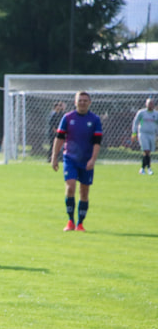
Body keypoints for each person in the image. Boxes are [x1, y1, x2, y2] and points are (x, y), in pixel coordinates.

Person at [51, 91, 103, 232]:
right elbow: (60, 137)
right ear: (75, 102)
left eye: (85, 100)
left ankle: (80, 223)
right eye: (80, 100)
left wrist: (93, 159)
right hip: (70, 159)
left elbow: (97, 142)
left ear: (89, 103)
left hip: (86, 160)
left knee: (84, 192)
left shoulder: (95, 119)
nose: (82, 102)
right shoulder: (67, 118)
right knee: (70, 188)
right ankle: (70, 221)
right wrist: (54, 156)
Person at [131, 98, 157, 175]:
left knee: (148, 152)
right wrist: (134, 133)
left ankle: (142, 169)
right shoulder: (141, 113)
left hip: (152, 134)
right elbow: (135, 122)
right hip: (143, 134)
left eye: (152, 103)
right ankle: (149, 168)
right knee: (146, 150)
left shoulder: (156, 114)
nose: (150, 105)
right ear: (146, 104)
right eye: (149, 103)